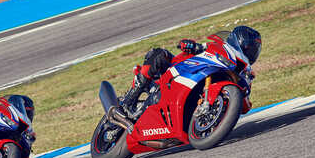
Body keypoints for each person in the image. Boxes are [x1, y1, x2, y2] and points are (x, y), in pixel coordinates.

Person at [112, 25, 262, 121]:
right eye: (251, 47)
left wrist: (242, 95)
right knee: (158, 54)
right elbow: (196, 46)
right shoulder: (216, 48)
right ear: (241, 41)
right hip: (177, 74)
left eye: (254, 49)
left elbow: (245, 107)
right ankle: (128, 101)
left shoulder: (245, 72)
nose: (252, 51)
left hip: (195, 96)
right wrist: (190, 45)